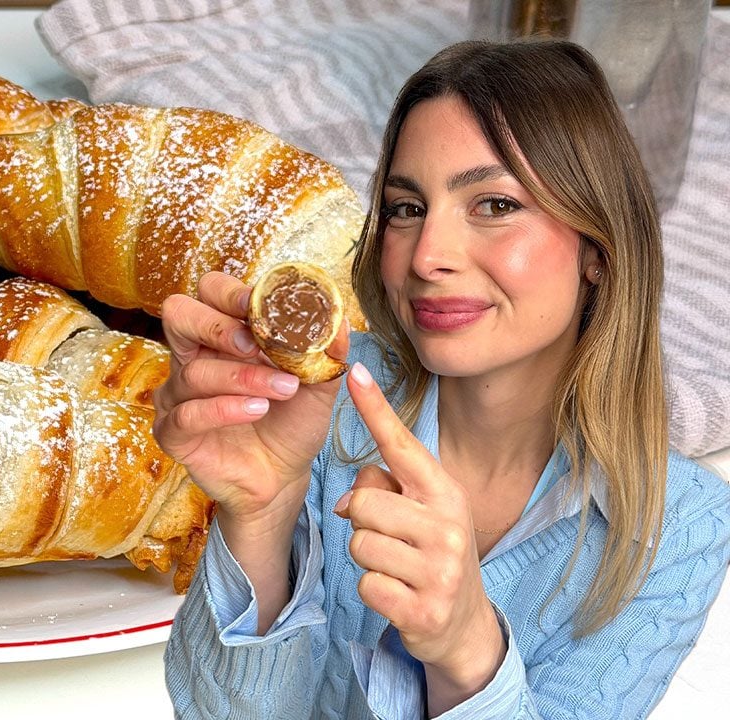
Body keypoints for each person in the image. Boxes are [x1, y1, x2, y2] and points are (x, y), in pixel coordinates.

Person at [155, 38, 730, 719]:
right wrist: (261, 514)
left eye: (493, 205)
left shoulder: (678, 527)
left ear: (597, 251)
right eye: (406, 208)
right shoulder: (320, 403)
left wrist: (467, 655)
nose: (428, 256)